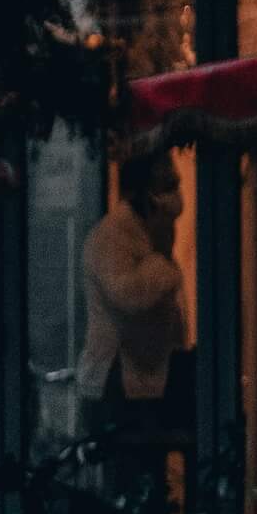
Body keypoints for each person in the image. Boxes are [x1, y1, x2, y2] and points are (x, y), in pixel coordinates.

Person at [80, 149, 189, 435]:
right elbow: (129, 294)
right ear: (146, 195)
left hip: (148, 379)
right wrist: (163, 261)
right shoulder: (113, 236)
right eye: (166, 186)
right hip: (118, 379)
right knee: (127, 468)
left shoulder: (148, 235)